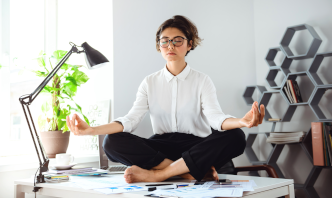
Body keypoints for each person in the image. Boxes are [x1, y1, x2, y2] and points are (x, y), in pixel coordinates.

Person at [66, 15, 265, 184]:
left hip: (195, 147)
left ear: (189, 44)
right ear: (159, 46)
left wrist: (241, 121)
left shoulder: (202, 80)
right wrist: (91, 130)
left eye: (177, 40)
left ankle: (158, 175)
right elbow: (131, 120)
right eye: (165, 40)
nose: (170, 45)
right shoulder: (149, 82)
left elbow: (216, 118)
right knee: (111, 142)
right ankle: (186, 172)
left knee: (236, 136)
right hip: (161, 148)